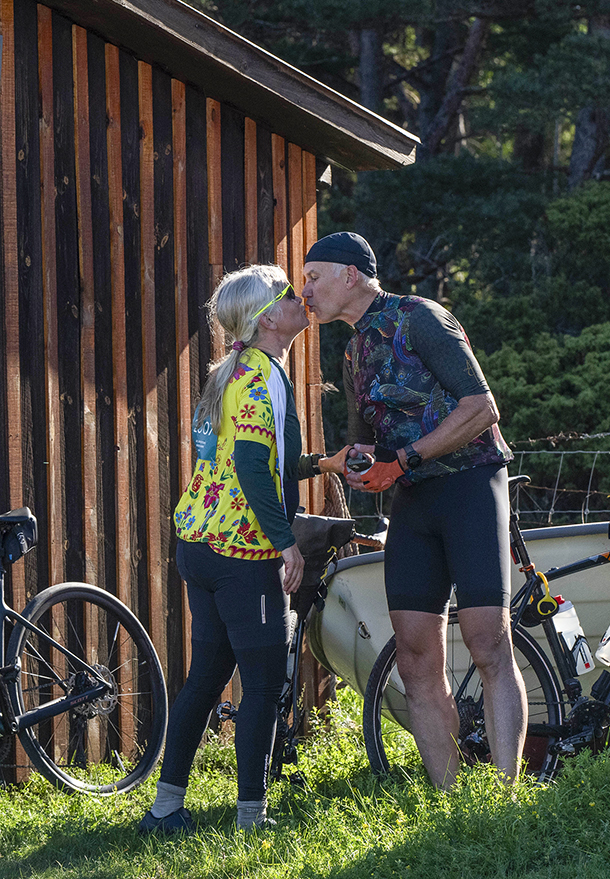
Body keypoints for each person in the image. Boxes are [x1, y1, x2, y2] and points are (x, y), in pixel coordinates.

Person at [300, 231, 521, 788]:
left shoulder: (420, 317)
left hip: (471, 485)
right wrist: (361, 465)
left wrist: (404, 459)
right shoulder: (352, 351)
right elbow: (367, 447)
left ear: (350, 275)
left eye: (313, 276)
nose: (304, 289)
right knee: (416, 659)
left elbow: (481, 407)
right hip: (413, 502)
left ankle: (506, 796)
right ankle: (452, 800)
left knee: (487, 642)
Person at [140, 264, 347, 833]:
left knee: (206, 676)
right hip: (241, 551)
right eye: (286, 293)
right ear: (265, 318)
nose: (297, 297)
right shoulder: (259, 378)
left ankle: (164, 811)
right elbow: (254, 466)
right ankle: (251, 819)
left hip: (200, 544)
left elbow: (243, 460)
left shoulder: (236, 371)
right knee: (263, 682)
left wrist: (316, 465)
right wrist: (287, 546)